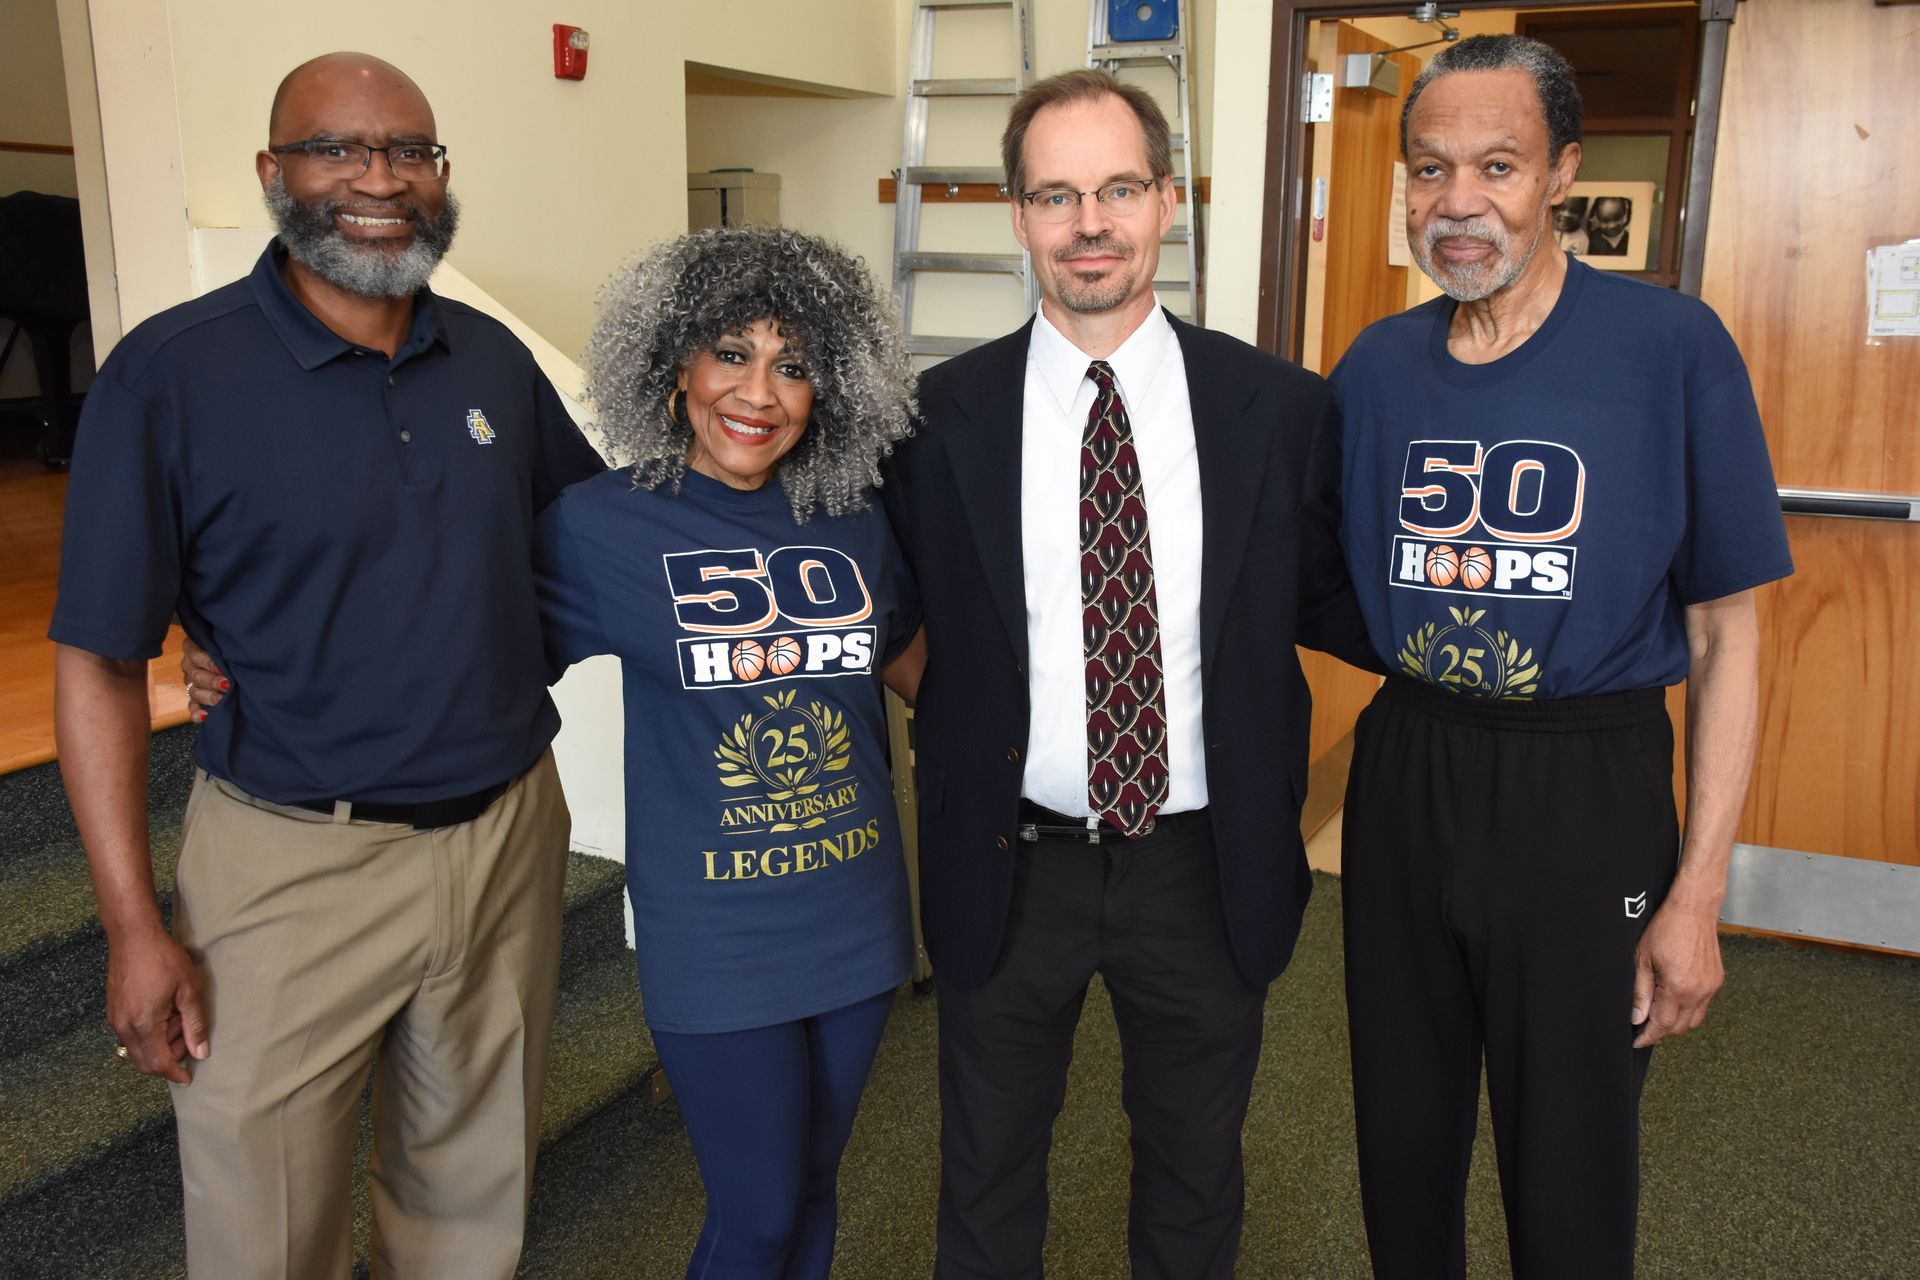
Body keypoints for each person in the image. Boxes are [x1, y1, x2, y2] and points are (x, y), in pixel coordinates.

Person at [51, 53, 605, 1277]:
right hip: (290, 867)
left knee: (472, 1210)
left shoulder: (495, 363)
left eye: (409, 151)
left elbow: (591, 549)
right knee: (265, 1233)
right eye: (337, 149)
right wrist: (132, 925)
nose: (378, 180)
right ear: (274, 172)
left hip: (507, 837)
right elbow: (95, 665)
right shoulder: (170, 375)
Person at [883, 69, 1373, 1279]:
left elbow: (1341, 598)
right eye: (1056, 195)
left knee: (1197, 1177)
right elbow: (891, 612)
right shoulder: (932, 420)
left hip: (1205, 866)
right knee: (987, 1179)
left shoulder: (1282, 410)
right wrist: (969, 713)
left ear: (1167, 202)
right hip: (1011, 860)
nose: (1087, 223)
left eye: (1116, 190)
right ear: (1018, 216)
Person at [1330, 35, 1792, 1280]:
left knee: (1572, 1160)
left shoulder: (1671, 349)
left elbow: (1728, 631)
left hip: (1586, 784)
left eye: (1496, 164)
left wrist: (1699, 894)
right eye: (1430, 170)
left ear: (1562, 174)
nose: (1457, 201)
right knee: (1403, 1137)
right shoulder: (1374, 368)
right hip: (1410, 767)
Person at [532, 225, 924, 1279]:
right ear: (675, 366)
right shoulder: (598, 527)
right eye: (732, 353)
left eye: (794, 364)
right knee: (753, 1212)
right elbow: (472, 658)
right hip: (716, 929)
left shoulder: (854, 520)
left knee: (809, 1189)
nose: (760, 391)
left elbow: (915, 666)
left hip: (856, 910)